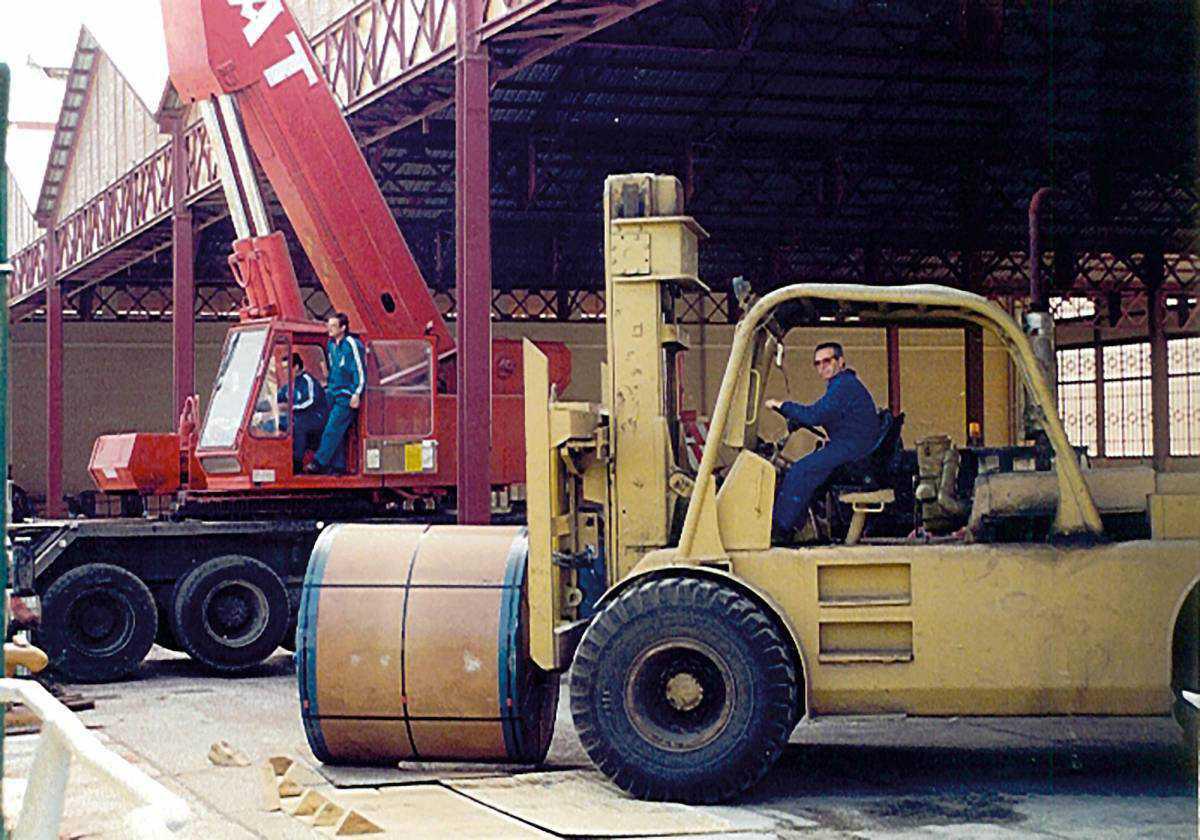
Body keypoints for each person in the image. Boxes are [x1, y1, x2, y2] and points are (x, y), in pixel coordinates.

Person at [765, 341, 881, 541]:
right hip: (851, 445)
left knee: (799, 472)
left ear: (841, 361)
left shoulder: (843, 386)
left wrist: (782, 405)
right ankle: (798, 525)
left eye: (827, 361)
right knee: (808, 470)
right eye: (817, 363)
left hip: (852, 448)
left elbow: (815, 415)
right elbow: (825, 415)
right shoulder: (841, 386)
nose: (822, 367)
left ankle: (779, 530)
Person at [305, 313, 365, 475]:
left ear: (343, 328)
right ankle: (338, 465)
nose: (329, 329)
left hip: (346, 395)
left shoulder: (352, 344)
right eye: (329, 326)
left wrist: (356, 393)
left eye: (333, 326)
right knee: (332, 429)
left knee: (333, 427)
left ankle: (319, 462)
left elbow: (360, 370)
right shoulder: (331, 346)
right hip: (332, 392)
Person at [282, 353, 327, 471]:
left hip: (316, 417)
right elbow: (279, 396)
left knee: (297, 425)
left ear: (296, 367)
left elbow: (310, 401)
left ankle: (297, 462)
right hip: (300, 416)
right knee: (275, 423)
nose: (285, 372)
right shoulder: (290, 383)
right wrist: (260, 406)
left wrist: (291, 409)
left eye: (287, 368)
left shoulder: (308, 380)